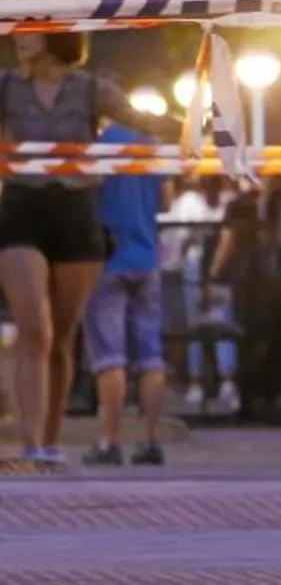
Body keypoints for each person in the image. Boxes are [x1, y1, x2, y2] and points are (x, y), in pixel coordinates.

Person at [0, 32, 174, 467]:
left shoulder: (90, 88)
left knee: (61, 336)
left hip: (77, 210)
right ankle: (30, 443)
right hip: (22, 206)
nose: (20, 38)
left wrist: (208, 124)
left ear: (56, 35)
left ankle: (50, 441)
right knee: (33, 328)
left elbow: (141, 120)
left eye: (31, 30)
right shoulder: (6, 87)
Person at [80, 120, 170, 466]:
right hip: (147, 259)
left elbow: (86, 190)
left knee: (110, 357)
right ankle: (150, 440)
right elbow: (165, 201)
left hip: (108, 260)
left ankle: (109, 442)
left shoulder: (96, 146)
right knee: (151, 355)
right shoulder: (152, 145)